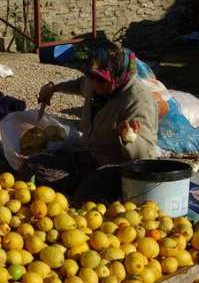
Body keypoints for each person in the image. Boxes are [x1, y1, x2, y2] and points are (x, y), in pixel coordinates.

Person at [31, 41, 159, 200]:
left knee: (86, 196)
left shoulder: (138, 100)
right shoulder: (96, 83)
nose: (93, 84)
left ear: (119, 75)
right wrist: (54, 88)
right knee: (32, 166)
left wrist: (127, 138)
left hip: (118, 166)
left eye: (100, 80)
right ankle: (75, 183)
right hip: (90, 155)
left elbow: (143, 155)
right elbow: (79, 85)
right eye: (91, 77)